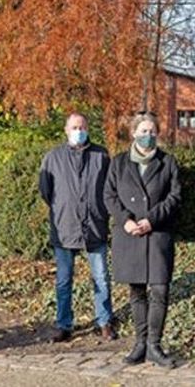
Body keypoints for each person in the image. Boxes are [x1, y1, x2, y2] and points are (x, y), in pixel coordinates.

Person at [104, 112, 181, 368]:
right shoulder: (118, 163)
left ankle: (154, 346)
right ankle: (139, 344)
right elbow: (109, 195)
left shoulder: (168, 162)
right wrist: (125, 220)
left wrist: (152, 219)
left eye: (152, 131)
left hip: (157, 234)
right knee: (136, 291)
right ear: (134, 133)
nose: (148, 136)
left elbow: (174, 197)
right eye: (144, 131)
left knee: (160, 290)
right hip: (129, 235)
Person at [39, 112, 115, 342]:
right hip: (65, 228)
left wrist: (100, 211)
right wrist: (64, 207)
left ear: (88, 128)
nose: (78, 131)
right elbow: (46, 191)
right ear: (66, 130)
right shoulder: (53, 158)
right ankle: (64, 324)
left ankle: (104, 321)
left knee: (101, 277)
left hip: (95, 226)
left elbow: (109, 188)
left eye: (82, 127)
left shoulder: (101, 155)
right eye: (74, 127)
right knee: (64, 280)